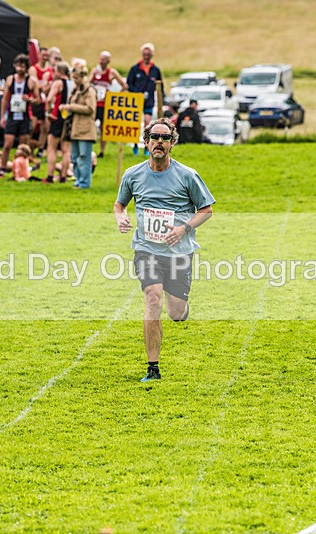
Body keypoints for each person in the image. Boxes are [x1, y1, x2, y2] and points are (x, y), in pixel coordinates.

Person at [113, 118, 215, 382]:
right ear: (146, 141)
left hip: (179, 252)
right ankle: (153, 368)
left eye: (165, 138)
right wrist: (121, 217)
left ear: (173, 142)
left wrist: (184, 229)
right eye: (155, 137)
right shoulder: (133, 175)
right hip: (146, 250)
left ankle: (181, 308)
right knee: (153, 298)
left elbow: (206, 210)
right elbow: (119, 204)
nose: (159, 142)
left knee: (176, 313)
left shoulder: (187, 176)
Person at [0, 54, 41, 179]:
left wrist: (30, 100)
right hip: (12, 115)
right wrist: (2, 116)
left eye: (22, 67)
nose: (20, 69)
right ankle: (3, 168)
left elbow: (38, 100)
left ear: (26, 68)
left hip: (25, 115)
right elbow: (4, 99)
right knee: (7, 144)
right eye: (18, 66)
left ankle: (23, 168)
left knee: (23, 146)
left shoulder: (31, 81)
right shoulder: (10, 80)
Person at [60, 66, 97, 190]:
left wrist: (72, 107)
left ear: (82, 77)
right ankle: (78, 180)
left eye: (76, 78)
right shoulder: (76, 90)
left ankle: (84, 182)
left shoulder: (89, 90)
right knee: (74, 157)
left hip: (85, 129)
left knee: (84, 157)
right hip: (74, 128)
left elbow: (90, 109)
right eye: (73, 78)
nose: (74, 81)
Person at [127, 43, 163, 156]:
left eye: (148, 54)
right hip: (136, 101)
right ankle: (135, 145)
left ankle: (147, 146)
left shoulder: (155, 69)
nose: (146, 56)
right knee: (135, 124)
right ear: (142, 54)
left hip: (149, 101)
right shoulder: (135, 68)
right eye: (145, 54)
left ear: (152, 55)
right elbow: (129, 83)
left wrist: (162, 97)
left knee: (148, 123)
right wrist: (137, 93)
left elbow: (160, 85)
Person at [90, 51, 128, 158]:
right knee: (90, 126)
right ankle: (90, 150)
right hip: (94, 103)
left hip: (105, 104)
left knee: (103, 128)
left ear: (108, 61)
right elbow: (88, 83)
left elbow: (124, 85)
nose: (101, 61)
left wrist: (115, 97)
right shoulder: (94, 71)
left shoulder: (112, 72)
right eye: (100, 59)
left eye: (104, 59)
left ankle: (101, 151)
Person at [43, 62, 71, 183]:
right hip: (69, 119)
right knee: (66, 150)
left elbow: (49, 99)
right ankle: (63, 176)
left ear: (59, 72)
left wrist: (48, 113)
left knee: (52, 148)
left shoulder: (58, 83)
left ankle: (50, 176)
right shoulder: (72, 83)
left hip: (57, 117)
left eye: (54, 72)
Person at [28, 47, 53, 154]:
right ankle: (27, 146)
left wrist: (44, 86)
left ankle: (41, 149)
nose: (45, 58)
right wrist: (44, 85)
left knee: (45, 126)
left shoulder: (49, 70)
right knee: (32, 126)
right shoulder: (33, 69)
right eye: (43, 55)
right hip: (36, 100)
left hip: (46, 101)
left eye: (47, 56)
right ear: (38, 55)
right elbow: (36, 85)